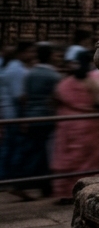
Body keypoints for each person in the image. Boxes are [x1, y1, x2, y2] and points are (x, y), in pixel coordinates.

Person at [51, 50, 99, 202]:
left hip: (66, 124)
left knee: (66, 157)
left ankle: (64, 191)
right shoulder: (92, 83)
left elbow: (54, 101)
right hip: (88, 125)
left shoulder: (64, 83)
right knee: (87, 159)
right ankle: (86, 188)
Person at [19, 43, 61, 197]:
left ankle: (43, 184)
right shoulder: (54, 76)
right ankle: (29, 183)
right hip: (46, 116)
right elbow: (56, 98)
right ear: (49, 56)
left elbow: (24, 97)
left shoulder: (30, 73)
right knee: (42, 152)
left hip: (31, 115)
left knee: (35, 150)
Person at [0, 41, 36, 180]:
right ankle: (10, 177)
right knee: (13, 147)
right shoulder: (17, 69)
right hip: (13, 113)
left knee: (8, 146)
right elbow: (20, 96)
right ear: (22, 53)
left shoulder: (13, 67)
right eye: (30, 51)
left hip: (8, 111)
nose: (33, 55)